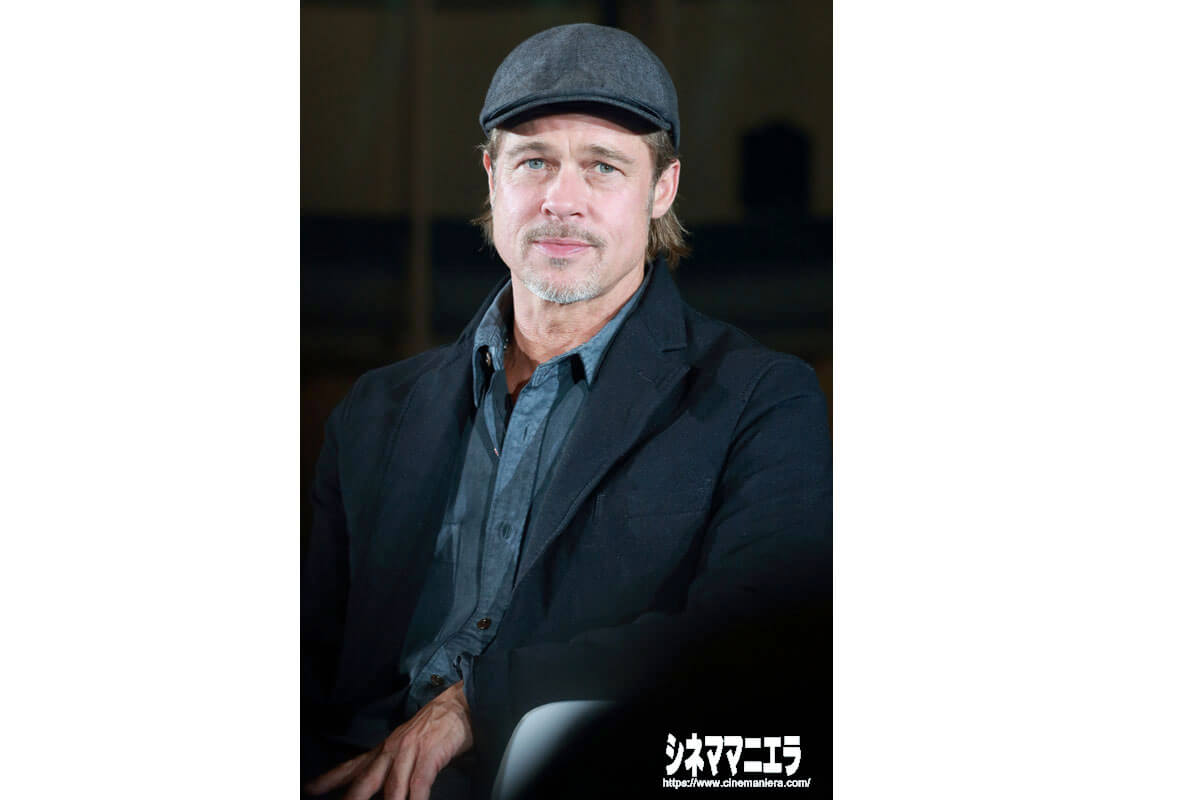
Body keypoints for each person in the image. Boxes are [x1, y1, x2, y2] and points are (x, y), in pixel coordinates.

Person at [302, 22, 831, 800]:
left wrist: (476, 704)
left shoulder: (758, 400)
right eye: (534, 161)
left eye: (603, 167)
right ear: (492, 178)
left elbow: (757, 644)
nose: (561, 200)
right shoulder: (376, 412)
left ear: (662, 188)